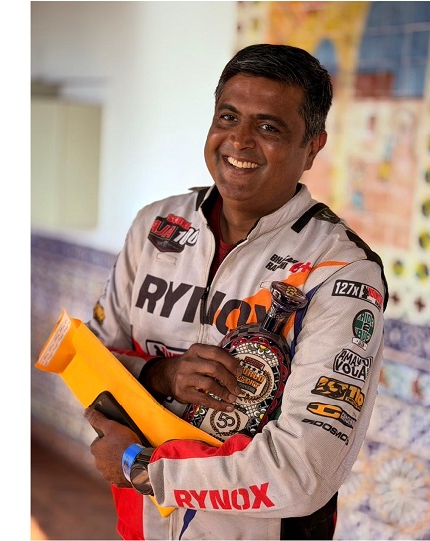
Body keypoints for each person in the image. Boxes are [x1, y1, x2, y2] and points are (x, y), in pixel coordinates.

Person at [83, 43, 388, 540]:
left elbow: (302, 472)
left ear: (312, 147)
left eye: (269, 127)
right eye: (228, 117)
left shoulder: (341, 271)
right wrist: (161, 376)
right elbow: (90, 361)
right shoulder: (156, 226)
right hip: (141, 526)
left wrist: (143, 468)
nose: (239, 141)